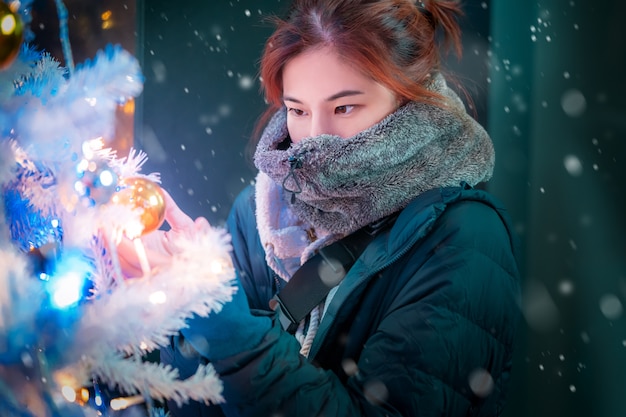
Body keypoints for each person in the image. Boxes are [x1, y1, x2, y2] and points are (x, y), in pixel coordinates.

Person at [119, 0, 521, 415]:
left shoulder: (463, 237)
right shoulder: (264, 214)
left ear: (408, 100)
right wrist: (180, 297)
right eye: (297, 110)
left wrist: (232, 329)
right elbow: (196, 402)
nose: (314, 139)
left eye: (344, 107)